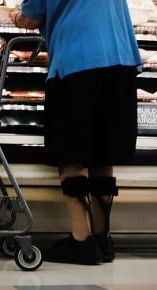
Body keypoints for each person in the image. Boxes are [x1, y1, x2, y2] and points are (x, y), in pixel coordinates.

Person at [10, 0, 141, 265]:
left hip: (78, 59)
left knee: (70, 153)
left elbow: (30, 18)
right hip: (122, 59)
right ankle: (102, 239)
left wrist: (13, 16)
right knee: (103, 153)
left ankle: (81, 241)